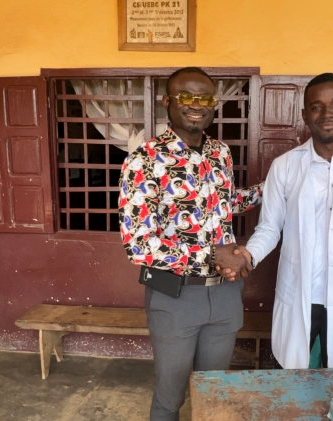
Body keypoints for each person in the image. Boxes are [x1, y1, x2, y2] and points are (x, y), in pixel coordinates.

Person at [118, 67, 263, 421]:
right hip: (175, 298)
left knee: (212, 390)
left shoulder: (221, 153)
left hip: (225, 294)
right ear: (167, 102)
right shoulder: (144, 160)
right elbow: (138, 243)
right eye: (186, 97)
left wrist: (271, 190)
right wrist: (212, 252)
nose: (197, 105)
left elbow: (226, 205)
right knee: (171, 397)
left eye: (205, 98)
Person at [223, 72, 333, 369]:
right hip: (297, 293)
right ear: (305, 115)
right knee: (294, 377)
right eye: (316, 106)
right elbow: (270, 228)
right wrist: (247, 255)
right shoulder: (285, 166)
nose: (327, 114)